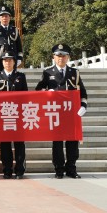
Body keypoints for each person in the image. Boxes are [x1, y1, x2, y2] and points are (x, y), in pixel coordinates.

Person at [36, 43, 88, 179]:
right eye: (58, 56)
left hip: (71, 112)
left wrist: (83, 106)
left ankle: (71, 168)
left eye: (64, 56)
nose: (61, 58)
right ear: (53, 57)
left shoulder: (74, 73)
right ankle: (59, 169)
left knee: (72, 142)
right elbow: (38, 90)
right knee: (57, 143)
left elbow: (82, 92)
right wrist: (47, 92)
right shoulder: (48, 73)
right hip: (56, 112)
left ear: (68, 57)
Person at [0, 48, 28, 179]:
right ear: (2, 62)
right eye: (5, 60)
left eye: (10, 60)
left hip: (17, 115)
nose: (8, 63)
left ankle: (19, 170)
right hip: (3, 115)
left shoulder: (20, 77)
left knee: (19, 144)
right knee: (5, 144)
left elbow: (25, 96)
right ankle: (7, 170)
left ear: (14, 62)